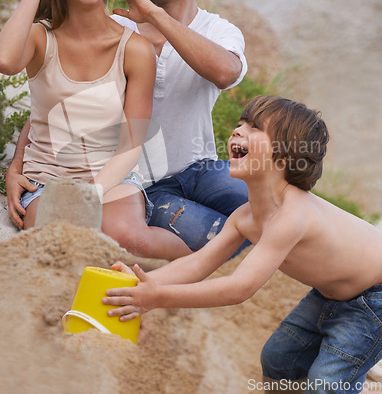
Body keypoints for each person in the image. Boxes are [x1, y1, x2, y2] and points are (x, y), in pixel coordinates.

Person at [104, 95, 382, 394]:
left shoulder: (293, 215)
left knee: (327, 382)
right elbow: (197, 264)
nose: (238, 131)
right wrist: (139, 283)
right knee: (279, 362)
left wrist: (158, 297)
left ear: (285, 157)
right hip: (331, 294)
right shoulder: (244, 217)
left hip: (375, 298)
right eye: (240, 124)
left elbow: (240, 288)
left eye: (255, 128)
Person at [6, 0, 250, 256]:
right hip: (147, 182)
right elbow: (57, 104)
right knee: (228, 239)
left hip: (200, 168)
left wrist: (153, 15)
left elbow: (225, 72)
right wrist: (16, 167)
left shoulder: (217, 30)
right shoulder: (115, 25)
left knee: (273, 206)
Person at [0, 0, 191, 260]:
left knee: (131, 240)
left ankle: (207, 269)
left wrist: (93, 192)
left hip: (113, 177)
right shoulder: (41, 38)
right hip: (46, 181)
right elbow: (3, 60)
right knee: (55, 242)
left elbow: (132, 142)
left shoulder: (135, 48)